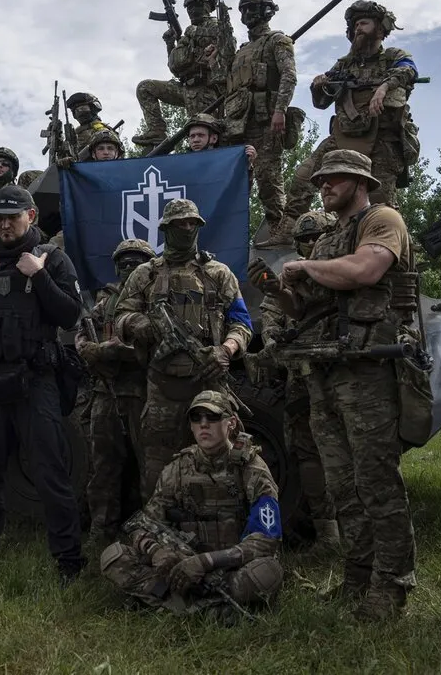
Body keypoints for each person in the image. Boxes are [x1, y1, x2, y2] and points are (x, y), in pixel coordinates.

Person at [256, 150, 419, 621]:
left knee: (376, 481)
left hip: (368, 368)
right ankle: (358, 576)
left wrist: (302, 268)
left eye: (335, 179)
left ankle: (391, 585)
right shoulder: (326, 240)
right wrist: (277, 290)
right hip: (324, 368)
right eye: (322, 179)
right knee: (343, 484)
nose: (324, 185)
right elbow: (303, 311)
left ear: (360, 182)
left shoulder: (382, 219)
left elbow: (366, 271)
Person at [0, 184, 86, 584]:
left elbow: (70, 315)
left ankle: (68, 561)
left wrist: (40, 278)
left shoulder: (51, 259)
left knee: (51, 474)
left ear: (31, 217)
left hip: (35, 381)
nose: (5, 224)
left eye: (13, 216)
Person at [99, 389, 283, 616]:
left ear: (231, 423)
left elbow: (266, 539)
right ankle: (208, 608)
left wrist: (206, 562)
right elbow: (143, 524)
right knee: (114, 557)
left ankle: (171, 603)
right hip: (180, 565)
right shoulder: (177, 468)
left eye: (213, 417)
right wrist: (156, 552)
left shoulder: (252, 468)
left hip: (229, 569)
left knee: (267, 572)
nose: (203, 424)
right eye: (196, 418)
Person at [114, 198, 253, 496]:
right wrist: (141, 325)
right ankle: (157, 532)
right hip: (163, 385)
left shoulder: (218, 273)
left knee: (221, 463)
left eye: (193, 224)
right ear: (167, 228)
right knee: (157, 468)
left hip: (209, 384)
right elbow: (120, 317)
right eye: (180, 224)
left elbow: (242, 323)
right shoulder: (146, 274)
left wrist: (226, 349)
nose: (188, 229)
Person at [249, 211, 339, 547]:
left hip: (342, 378)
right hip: (303, 381)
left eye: (317, 237)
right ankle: (328, 531)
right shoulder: (289, 282)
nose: (311, 244)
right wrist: (274, 340)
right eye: (305, 240)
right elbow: (271, 318)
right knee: (306, 455)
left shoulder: (344, 274)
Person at [283, 0, 421, 218]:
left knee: (379, 204)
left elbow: (409, 71)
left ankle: (384, 242)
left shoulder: (393, 57)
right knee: (303, 178)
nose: (358, 29)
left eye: (364, 23)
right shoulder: (344, 65)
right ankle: (288, 231)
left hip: (381, 141)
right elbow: (321, 103)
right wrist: (319, 87)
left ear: (380, 28)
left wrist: (384, 87)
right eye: (355, 25)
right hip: (343, 136)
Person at [76, 238, 154, 543]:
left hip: (143, 392)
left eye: (136, 262)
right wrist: (89, 350)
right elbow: (84, 333)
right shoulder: (105, 299)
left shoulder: (154, 300)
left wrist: (112, 351)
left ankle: (150, 533)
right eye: (124, 262)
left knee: (150, 467)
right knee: (103, 466)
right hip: (106, 393)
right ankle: (102, 531)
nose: (129, 267)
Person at [220, 0, 299, 247]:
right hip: (238, 124)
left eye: (252, 8)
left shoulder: (277, 41)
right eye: (243, 9)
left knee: (269, 180)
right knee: (236, 185)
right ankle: (231, 237)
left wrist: (280, 111)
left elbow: (289, 75)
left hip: (266, 122)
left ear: (267, 10)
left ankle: (281, 234)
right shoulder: (242, 51)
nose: (247, 15)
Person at [134, 0, 236, 147]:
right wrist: (170, 44)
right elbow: (176, 66)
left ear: (209, 6)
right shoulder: (189, 32)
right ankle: (157, 131)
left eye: (198, 5)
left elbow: (227, 53)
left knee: (204, 135)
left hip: (204, 90)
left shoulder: (216, 27)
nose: (193, 10)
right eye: (189, 6)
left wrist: (192, 37)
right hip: (185, 88)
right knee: (145, 87)